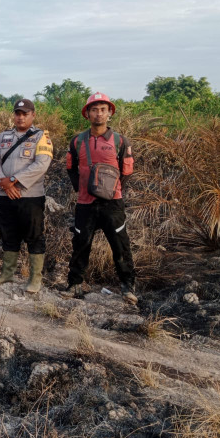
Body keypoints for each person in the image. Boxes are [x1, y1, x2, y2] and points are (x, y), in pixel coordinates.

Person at [65, 92, 137, 304]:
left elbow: (126, 171)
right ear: (87, 114)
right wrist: (82, 188)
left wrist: (111, 191)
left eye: (103, 110)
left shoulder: (120, 141)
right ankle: (74, 284)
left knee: (120, 245)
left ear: (109, 113)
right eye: (94, 109)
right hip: (85, 203)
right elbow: (71, 168)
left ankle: (127, 287)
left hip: (112, 204)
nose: (98, 114)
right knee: (80, 244)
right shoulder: (77, 141)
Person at [0, 99, 53, 293]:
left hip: (30, 196)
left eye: (25, 113)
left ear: (33, 115)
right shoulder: (4, 136)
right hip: (5, 195)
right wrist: (5, 184)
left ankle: (35, 279)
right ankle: (7, 274)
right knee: (8, 234)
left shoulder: (41, 136)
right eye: (18, 113)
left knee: (34, 235)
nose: (21, 117)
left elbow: (42, 164)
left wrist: (14, 180)